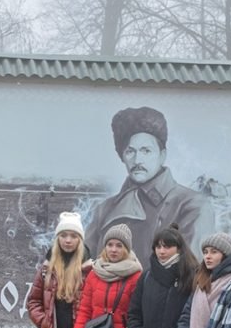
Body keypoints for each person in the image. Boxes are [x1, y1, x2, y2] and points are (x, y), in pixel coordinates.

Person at [86, 107, 214, 259]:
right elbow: (85, 263)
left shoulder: (193, 206)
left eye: (146, 151)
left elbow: (190, 266)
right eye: (130, 151)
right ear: (122, 157)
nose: (137, 160)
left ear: (162, 155)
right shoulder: (105, 210)